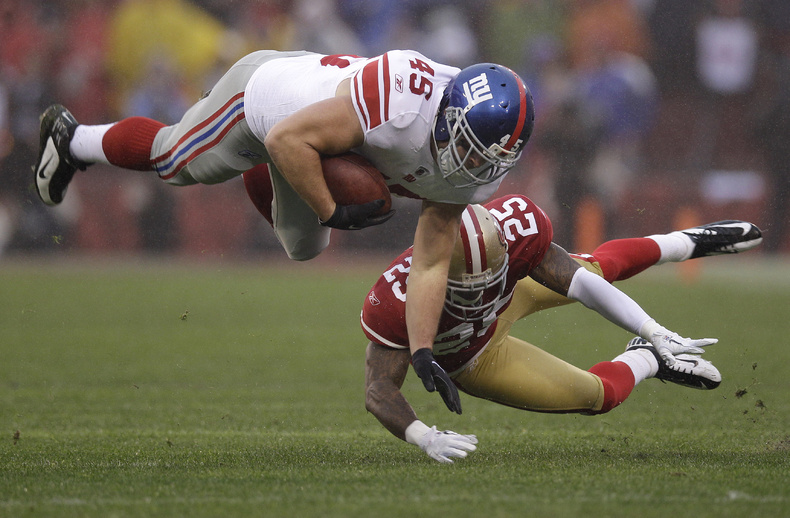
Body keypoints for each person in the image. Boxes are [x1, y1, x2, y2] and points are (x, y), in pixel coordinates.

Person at [33, 49, 535, 366]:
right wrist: (333, 210)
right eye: (467, 146)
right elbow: (286, 134)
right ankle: (73, 138)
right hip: (264, 103)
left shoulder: (478, 173)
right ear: (449, 114)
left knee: (304, 248)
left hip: (311, 137)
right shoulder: (400, 101)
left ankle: (274, 167)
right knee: (174, 160)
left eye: (487, 157)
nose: (472, 165)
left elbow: (429, 261)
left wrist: (422, 350)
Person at [361, 194, 762, 463]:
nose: (482, 288)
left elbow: (585, 286)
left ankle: (685, 242)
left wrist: (651, 324)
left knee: (596, 268)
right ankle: (647, 359)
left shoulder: (517, 233)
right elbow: (379, 389)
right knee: (598, 396)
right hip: (474, 358)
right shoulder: (396, 300)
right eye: (472, 286)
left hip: (511, 294)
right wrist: (421, 435)